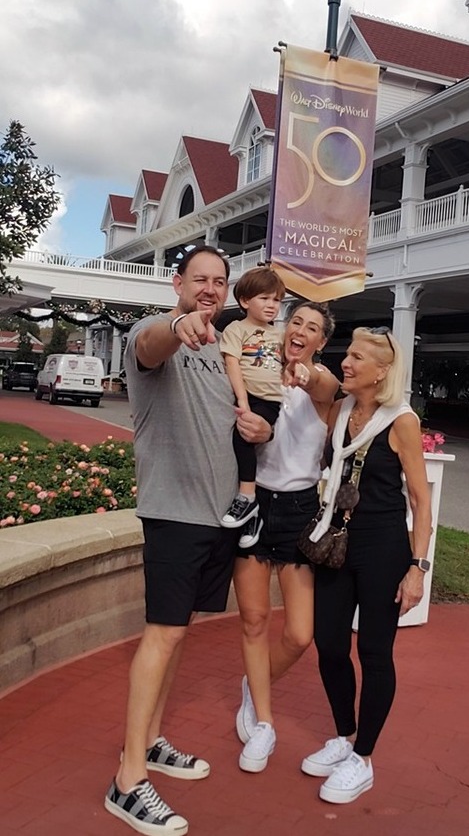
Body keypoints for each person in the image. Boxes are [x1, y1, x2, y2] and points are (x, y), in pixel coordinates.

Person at [104, 245, 266, 836]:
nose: (210, 289)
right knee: (164, 633)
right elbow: (152, 341)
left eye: (219, 281)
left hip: (216, 519)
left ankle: (147, 743)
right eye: (200, 279)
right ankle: (126, 781)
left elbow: (240, 422)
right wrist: (179, 324)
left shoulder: (224, 351)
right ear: (178, 282)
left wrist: (259, 427)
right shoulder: (159, 333)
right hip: (173, 513)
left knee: (179, 635)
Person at [300, 327, 432, 804]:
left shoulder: (401, 421)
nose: (347, 363)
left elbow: (420, 499)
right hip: (337, 544)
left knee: (375, 653)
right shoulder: (340, 411)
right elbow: (311, 381)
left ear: (382, 372)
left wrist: (417, 567)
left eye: (357, 357)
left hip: (383, 548)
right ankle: (343, 734)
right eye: (347, 354)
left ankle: (365, 758)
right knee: (329, 644)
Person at [232, 301, 339, 774]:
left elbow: (327, 385)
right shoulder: (257, 369)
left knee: (299, 634)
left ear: (321, 341)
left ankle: (253, 687)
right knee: (254, 621)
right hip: (254, 503)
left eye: (312, 328)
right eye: (295, 321)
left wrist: (304, 372)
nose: (300, 330)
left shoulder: (322, 387)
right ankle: (264, 723)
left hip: (299, 511)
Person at [220, 267, 286, 550]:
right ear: (245, 301)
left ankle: (247, 500)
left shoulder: (281, 334)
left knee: (252, 444)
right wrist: (243, 401)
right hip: (250, 398)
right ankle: (249, 507)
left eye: (276, 300)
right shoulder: (237, 329)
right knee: (241, 443)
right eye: (265, 298)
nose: (272, 305)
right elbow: (232, 363)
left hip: (274, 401)